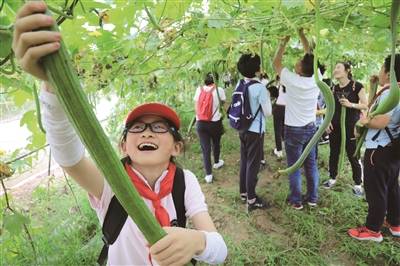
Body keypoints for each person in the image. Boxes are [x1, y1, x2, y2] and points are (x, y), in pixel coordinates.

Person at [12, 2, 228, 265]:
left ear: (177, 147)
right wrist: (53, 83)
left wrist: (198, 241)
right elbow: (69, 156)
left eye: (159, 127)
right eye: (137, 128)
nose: (147, 133)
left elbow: (219, 250)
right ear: (123, 146)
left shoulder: (186, 181)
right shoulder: (110, 184)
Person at [348, 54, 400, 242]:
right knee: (392, 186)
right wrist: (373, 88)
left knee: (375, 189)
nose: (379, 71)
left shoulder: (390, 94)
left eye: (382, 68)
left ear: (388, 72)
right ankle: (395, 224)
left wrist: (361, 122)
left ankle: (372, 230)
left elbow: (378, 121)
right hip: (393, 149)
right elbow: (374, 109)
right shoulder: (393, 91)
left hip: (379, 149)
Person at [273, 34, 321, 210]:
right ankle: (313, 198)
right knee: (311, 164)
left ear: (300, 69)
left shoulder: (292, 79)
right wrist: (301, 35)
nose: (299, 61)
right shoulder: (318, 78)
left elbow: (276, 64)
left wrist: (283, 43)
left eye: (300, 61)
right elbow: (310, 55)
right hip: (311, 128)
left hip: (294, 130)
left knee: (293, 166)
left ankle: (296, 201)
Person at [323, 62, 367, 197]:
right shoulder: (333, 88)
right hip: (335, 125)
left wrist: (350, 104)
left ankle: (358, 183)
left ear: (347, 71)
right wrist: (328, 121)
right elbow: (329, 107)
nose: (335, 70)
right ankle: (332, 177)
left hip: (350, 127)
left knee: (353, 154)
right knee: (334, 152)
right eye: (335, 67)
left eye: (338, 68)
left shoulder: (356, 86)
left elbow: (365, 105)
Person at [235, 53, 272, 211]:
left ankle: (244, 192)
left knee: (245, 160)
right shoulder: (260, 88)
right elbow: (268, 112)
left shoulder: (240, 84)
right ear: (257, 70)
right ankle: (251, 199)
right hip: (255, 131)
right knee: (253, 165)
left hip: (242, 128)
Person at [194, 73, 226, 183]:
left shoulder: (199, 89)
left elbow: (196, 106)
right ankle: (217, 162)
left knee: (205, 149)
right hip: (215, 122)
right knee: (216, 142)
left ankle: (208, 175)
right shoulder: (219, 90)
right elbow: (223, 105)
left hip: (201, 123)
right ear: (216, 80)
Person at [272, 75, 286, 159]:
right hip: (287, 109)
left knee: (277, 130)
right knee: (285, 129)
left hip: (278, 108)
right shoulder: (291, 86)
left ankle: (279, 151)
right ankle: (286, 148)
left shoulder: (280, 85)